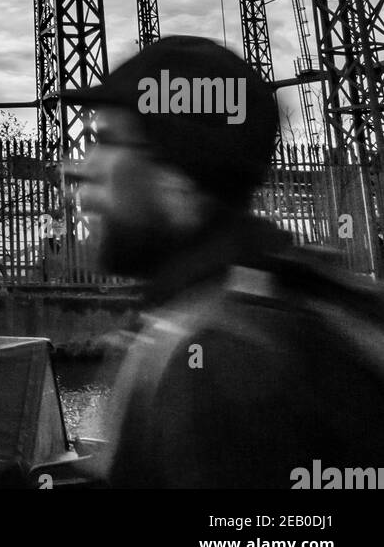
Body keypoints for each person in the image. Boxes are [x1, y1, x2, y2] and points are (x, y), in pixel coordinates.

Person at [70, 34, 384, 489]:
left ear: (176, 177)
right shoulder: (293, 297)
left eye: (108, 141)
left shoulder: (218, 362)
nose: (83, 167)